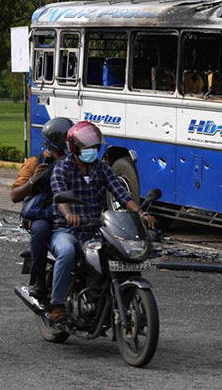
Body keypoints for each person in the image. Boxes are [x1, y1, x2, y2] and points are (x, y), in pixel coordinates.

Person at [49, 121, 155, 322]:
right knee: (67, 252)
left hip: (96, 229)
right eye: (87, 147)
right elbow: (60, 193)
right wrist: (69, 215)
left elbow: (122, 194)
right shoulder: (62, 168)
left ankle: (112, 300)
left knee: (118, 255)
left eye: (95, 147)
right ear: (74, 148)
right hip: (67, 230)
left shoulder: (102, 169)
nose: (91, 151)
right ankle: (58, 304)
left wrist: (141, 213)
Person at [11, 117, 74, 300]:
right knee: (40, 230)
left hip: (71, 214)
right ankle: (38, 281)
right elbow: (15, 195)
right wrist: (33, 180)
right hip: (42, 215)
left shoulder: (75, 164)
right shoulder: (34, 163)